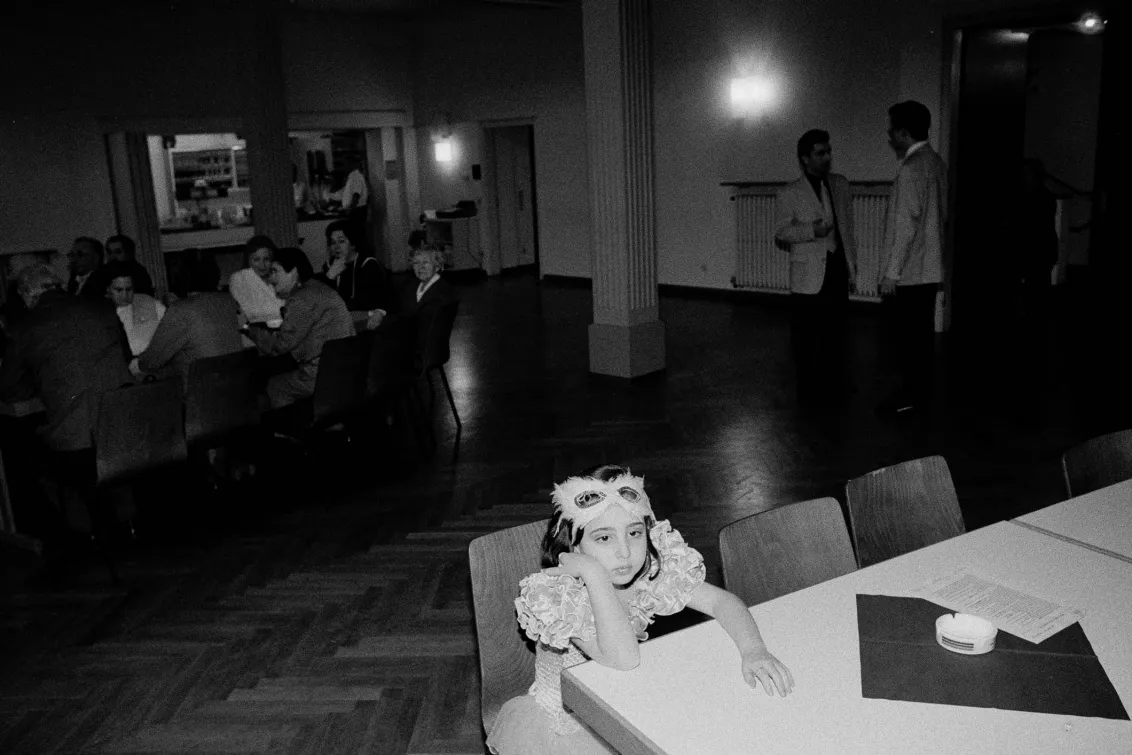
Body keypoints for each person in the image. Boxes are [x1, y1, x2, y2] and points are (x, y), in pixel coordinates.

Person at [486, 465, 793, 754]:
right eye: (604, 538)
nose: (624, 552)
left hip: (629, 695)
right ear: (574, 548)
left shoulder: (651, 572)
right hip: (572, 723)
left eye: (634, 533)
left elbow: (721, 601)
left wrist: (754, 648)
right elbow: (623, 659)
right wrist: (593, 575)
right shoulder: (561, 595)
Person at [0, 265, 133, 532]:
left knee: (25, 454)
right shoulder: (103, 309)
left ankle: (75, 532)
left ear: (27, 294)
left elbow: (9, 388)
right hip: (124, 427)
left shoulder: (25, 327)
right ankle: (122, 520)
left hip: (77, 440)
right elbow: (126, 358)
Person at [775, 129, 858, 407]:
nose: (827, 157)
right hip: (808, 273)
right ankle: (808, 389)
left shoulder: (840, 185)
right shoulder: (790, 192)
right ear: (805, 158)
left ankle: (834, 384)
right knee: (806, 336)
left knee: (835, 332)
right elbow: (782, 232)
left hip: (835, 267)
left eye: (828, 151)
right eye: (820, 153)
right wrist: (812, 230)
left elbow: (848, 228)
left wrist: (851, 266)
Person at [877, 101, 948, 417]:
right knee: (920, 339)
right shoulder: (935, 161)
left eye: (891, 130)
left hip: (910, 271)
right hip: (929, 267)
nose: (889, 136)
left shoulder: (911, 168)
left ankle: (907, 396)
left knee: (904, 341)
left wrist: (891, 273)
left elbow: (905, 225)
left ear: (904, 132)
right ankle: (922, 395)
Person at [245, 247, 354, 409]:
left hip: (324, 373)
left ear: (294, 272)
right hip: (347, 367)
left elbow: (280, 346)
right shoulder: (318, 288)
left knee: (275, 386)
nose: (270, 278)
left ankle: (289, 430)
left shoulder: (301, 300)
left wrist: (250, 331)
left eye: (275, 271)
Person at [135, 253, 243, 390]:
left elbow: (149, 362)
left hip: (200, 397)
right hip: (235, 390)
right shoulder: (228, 301)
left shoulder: (182, 310)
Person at [317, 219, 392, 321]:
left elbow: (368, 302)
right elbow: (319, 301)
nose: (336, 247)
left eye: (341, 241)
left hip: (365, 317)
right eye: (333, 242)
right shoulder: (330, 265)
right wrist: (329, 277)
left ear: (353, 242)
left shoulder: (368, 264)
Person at [103, 261, 165, 357]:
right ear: (108, 289)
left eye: (129, 289)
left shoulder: (152, 305)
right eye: (119, 290)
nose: (125, 295)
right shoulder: (98, 312)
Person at [229, 235, 283, 328]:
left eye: (266, 259)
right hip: (255, 331)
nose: (262, 265)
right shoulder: (240, 278)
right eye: (256, 260)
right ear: (248, 260)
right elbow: (242, 314)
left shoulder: (279, 276)